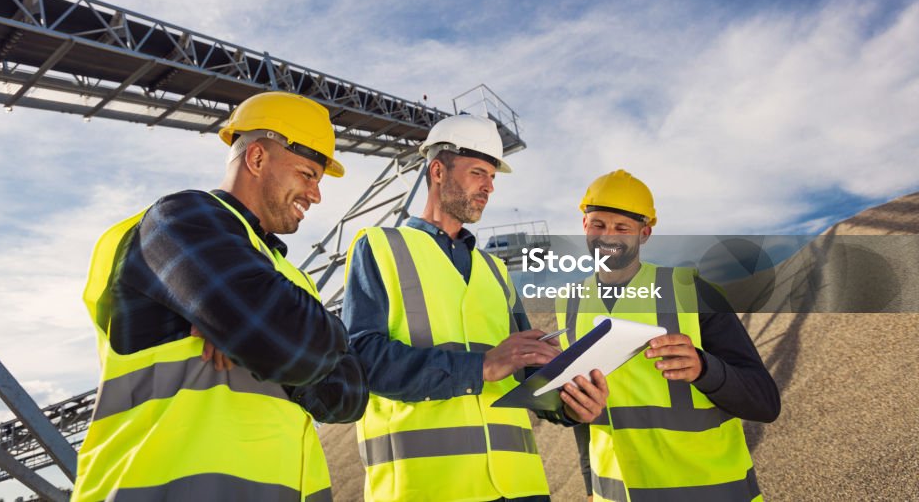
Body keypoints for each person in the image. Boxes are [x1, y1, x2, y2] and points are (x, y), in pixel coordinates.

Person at [70, 91, 368, 502]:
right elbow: (289, 344)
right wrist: (286, 345)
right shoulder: (178, 221)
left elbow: (351, 397)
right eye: (307, 173)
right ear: (257, 158)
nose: (316, 194)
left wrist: (269, 343)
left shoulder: (288, 275)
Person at [343, 114, 609, 502]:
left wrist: (571, 404)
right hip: (427, 488)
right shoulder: (381, 247)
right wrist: (480, 367)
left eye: (492, 178)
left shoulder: (495, 271)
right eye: (477, 173)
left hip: (520, 487)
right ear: (437, 171)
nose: (488, 187)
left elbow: (529, 366)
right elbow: (363, 360)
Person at [559, 169, 781, 502]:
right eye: (598, 224)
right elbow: (582, 410)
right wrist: (590, 483)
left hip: (711, 491)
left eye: (622, 228)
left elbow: (765, 402)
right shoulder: (570, 304)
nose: (607, 236)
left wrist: (705, 369)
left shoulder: (690, 292)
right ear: (584, 226)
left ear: (644, 233)